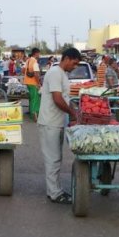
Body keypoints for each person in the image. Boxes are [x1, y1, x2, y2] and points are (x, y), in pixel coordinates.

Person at [38, 47, 80, 205]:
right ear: (67, 58)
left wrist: (74, 109)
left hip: (56, 122)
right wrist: (72, 113)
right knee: (53, 159)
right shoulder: (55, 72)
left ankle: (54, 190)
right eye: (74, 63)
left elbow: (64, 97)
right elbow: (57, 99)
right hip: (50, 122)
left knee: (55, 158)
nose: (74, 67)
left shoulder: (62, 74)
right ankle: (54, 193)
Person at [23, 48, 42, 121]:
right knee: (35, 99)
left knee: (31, 98)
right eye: (39, 53)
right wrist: (38, 83)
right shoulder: (35, 62)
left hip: (27, 82)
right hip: (33, 83)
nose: (39, 55)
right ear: (36, 53)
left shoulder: (28, 60)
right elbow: (36, 74)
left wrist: (27, 74)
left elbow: (23, 70)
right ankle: (35, 115)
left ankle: (32, 114)